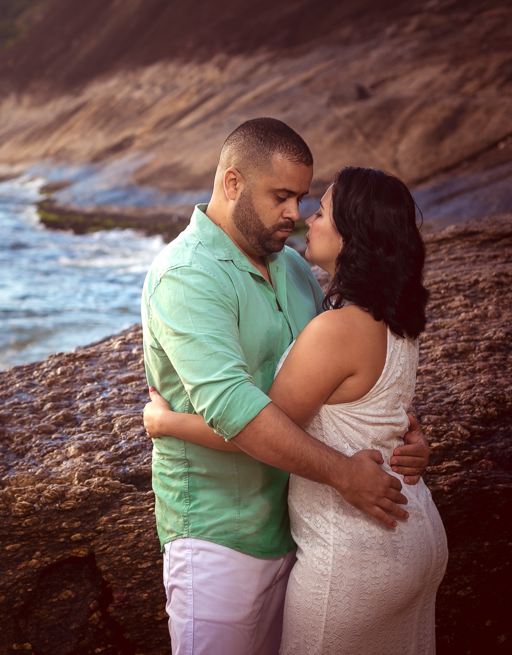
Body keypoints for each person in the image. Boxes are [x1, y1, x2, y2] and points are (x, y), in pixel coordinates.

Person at [140, 118, 431, 655]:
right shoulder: (185, 274)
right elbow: (237, 408)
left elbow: (344, 383)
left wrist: (401, 436)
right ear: (232, 183)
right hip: (221, 536)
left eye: (302, 198)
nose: (294, 215)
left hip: (307, 534)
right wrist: (345, 474)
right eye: (282, 196)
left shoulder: (296, 269)